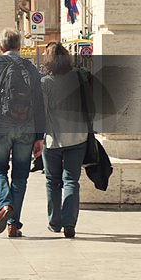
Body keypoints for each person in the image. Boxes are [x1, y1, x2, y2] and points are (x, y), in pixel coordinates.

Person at [0, 28, 45, 238]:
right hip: (26, 127)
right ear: (19, 46)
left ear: (1, 47)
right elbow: (40, 104)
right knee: (21, 175)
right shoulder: (30, 68)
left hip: (0, 126)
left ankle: (4, 204)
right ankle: (13, 225)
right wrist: (40, 135)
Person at [41, 42, 92, 238]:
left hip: (53, 140)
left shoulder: (45, 83)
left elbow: (42, 114)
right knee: (71, 180)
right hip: (78, 138)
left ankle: (55, 222)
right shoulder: (79, 77)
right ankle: (69, 223)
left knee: (52, 181)